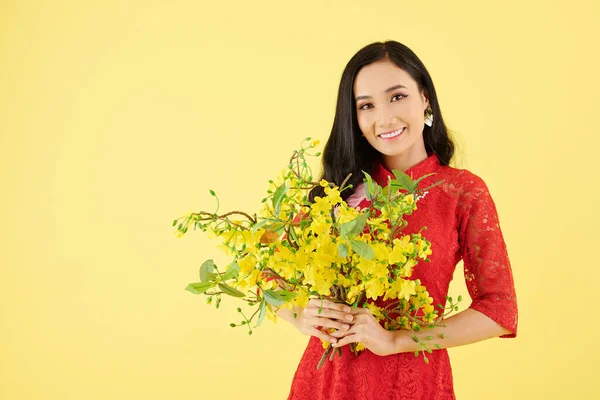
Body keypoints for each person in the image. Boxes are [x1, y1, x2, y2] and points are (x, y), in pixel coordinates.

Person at [275, 40, 518, 400]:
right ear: (354, 118)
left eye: (397, 97)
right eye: (367, 105)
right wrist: (301, 316)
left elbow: (499, 309)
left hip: (413, 381)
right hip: (327, 381)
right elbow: (268, 272)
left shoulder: (462, 192)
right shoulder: (337, 191)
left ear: (425, 98)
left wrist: (396, 340)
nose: (384, 118)